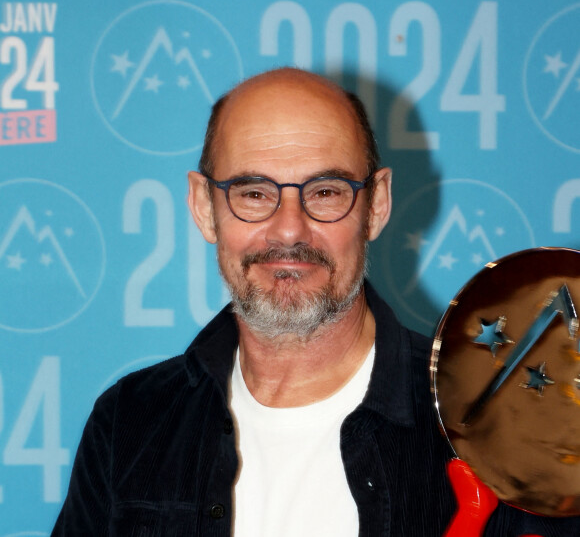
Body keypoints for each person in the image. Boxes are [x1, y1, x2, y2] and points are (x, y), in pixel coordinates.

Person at [52, 68, 580, 536]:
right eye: (253, 193)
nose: (289, 228)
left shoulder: (501, 433)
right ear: (204, 208)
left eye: (326, 192)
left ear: (376, 206)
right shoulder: (130, 422)